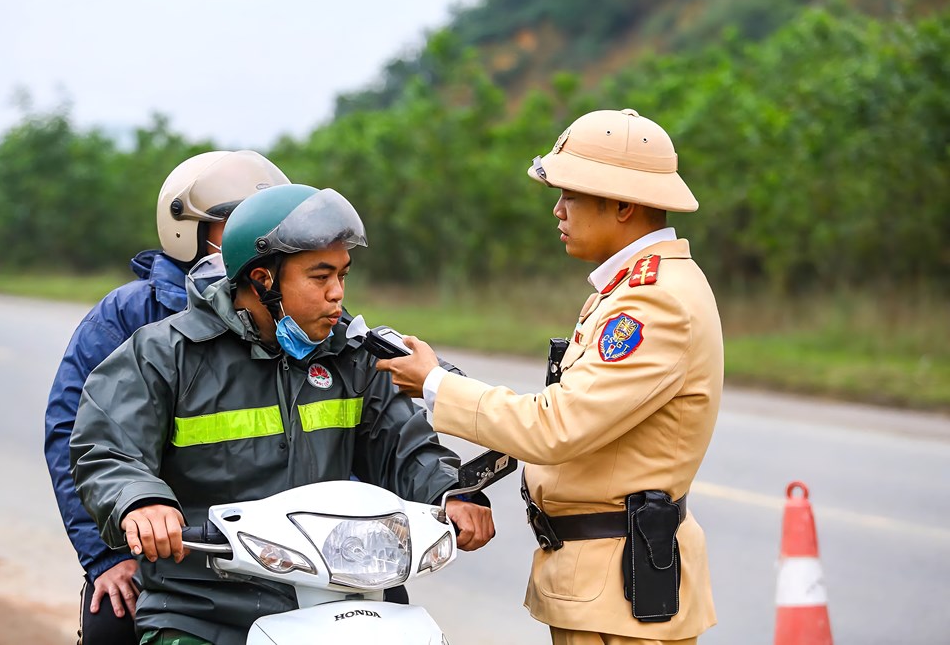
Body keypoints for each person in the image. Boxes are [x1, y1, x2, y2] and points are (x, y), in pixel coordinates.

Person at [69, 183, 496, 645]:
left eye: (342, 275)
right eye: (319, 277)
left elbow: (402, 445)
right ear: (262, 281)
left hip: (343, 600)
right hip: (203, 610)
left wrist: (451, 492)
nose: (337, 294)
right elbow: (106, 448)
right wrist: (140, 501)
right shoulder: (164, 353)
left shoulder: (351, 357)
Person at [377, 109, 722, 645]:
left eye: (571, 196)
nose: (558, 210)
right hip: (606, 586)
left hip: (619, 599)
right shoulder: (632, 289)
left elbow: (555, 426)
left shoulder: (654, 302)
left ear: (624, 205)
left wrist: (434, 384)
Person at [45, 150, 290, 645]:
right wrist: (107, 557)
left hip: (287, 548)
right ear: (188, 229)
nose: (264, 242)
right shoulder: (130, 316)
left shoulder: (301, 310)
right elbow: (77, 438)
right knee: (112, 623)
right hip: (168, 548)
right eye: (238, 224)